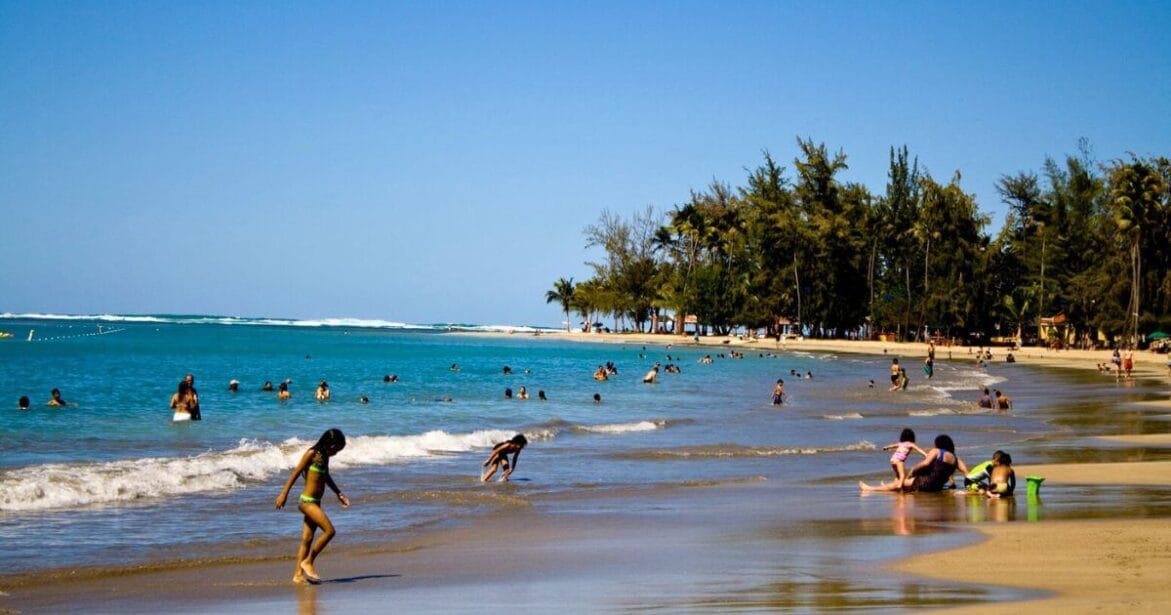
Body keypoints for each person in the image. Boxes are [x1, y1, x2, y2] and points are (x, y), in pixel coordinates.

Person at [275, 429, 350, 584]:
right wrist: (284, 494)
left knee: (307, 540)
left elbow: (326, 476)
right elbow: (296, 472)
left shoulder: (324, 457)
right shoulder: (312, 453)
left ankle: (297, 575)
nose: (335, 453)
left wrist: (338, 493)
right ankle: (308, 561)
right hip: (306, 502)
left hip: (315, 502)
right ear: (330, 444)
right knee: (330, 531)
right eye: (335, 449)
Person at [860, 434, 968, 493]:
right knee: (905, 483)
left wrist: (913, 470)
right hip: (937, 487)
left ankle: (870, 488)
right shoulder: (956, 459)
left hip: (925, 483)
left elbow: (925, 463)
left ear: (938, 444)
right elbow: (967, 474)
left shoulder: (936, 451)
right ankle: (892, 485)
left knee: (898, 484)